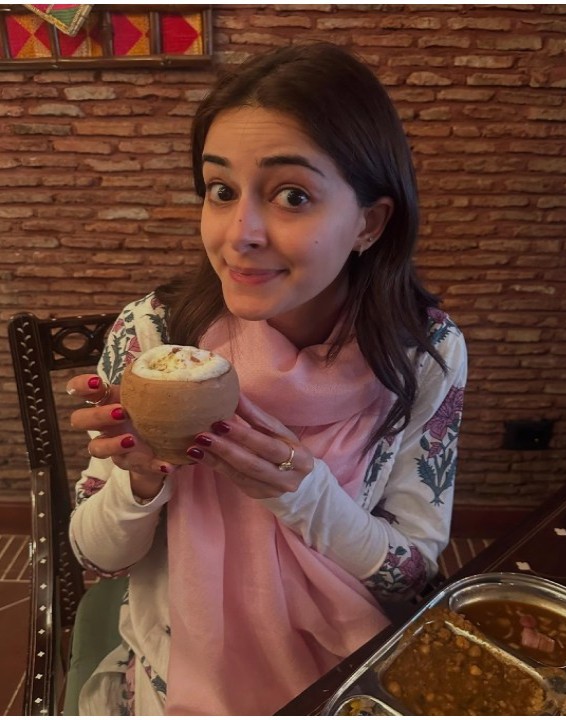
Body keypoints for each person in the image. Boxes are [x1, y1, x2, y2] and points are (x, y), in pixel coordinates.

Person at [63, 43, 466, 715]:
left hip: (347, 668)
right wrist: (140, 480)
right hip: (179, 669)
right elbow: (95, 557)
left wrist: (305, 494)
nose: (239, 232)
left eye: (292, 195)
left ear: (369, 222)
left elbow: (411, 573)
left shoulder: (424, 354)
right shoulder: (155, 337)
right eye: (220, 191)